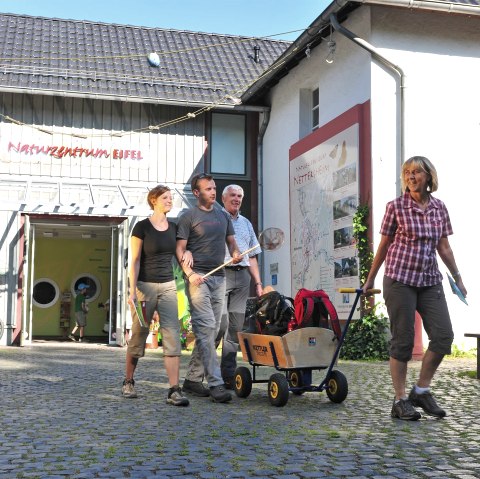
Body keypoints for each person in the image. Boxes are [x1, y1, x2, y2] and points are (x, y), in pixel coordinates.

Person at [363, 156, 467, 421]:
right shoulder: (395, 206)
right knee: (403, 341)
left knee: (443, 336)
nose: (411, 177)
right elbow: (385, 245)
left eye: (417, 172)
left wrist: (458, 276)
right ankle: (400, 400)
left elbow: (443, 246)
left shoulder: (439, 208)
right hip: (400, 279)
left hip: (430, 279)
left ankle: (421, 390)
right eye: (407, 173)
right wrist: (370, 279)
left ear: (429, 176)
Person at [122, 184, 192, 406]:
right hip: (145, 287)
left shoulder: (174, 228)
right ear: (154, 200)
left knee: (172, 335)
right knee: (139, 334)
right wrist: (132, 291)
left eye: (171, 197)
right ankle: (128, 381)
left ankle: (174, 389)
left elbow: (180, 251)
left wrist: (187, 252)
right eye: (165, 197)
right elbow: (134, 260)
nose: (170, 200)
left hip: (169, 286)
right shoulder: (142, 227)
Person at [176, 173, 242, 403]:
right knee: (205, 329)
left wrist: (234, 253)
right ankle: (216, 383)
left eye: (214, 188)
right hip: (198, 280)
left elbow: (231, 242)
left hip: (219, 277)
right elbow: (180, 250)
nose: (213, 192)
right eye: (208, 189)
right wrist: (190, 274)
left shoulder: (223, 216)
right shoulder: (188, 217)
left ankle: (192, 380)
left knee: (215, 330)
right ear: (196, 193)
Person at [216, 184, 263, 389]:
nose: (236, 199)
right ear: (223, 198)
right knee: (219, 326)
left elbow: (252, 256)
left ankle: (227, 376)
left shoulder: (246, 224)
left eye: (240, 196)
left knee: (234, 329)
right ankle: (201, 373)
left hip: (243, 278)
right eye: (233, 195)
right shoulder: (215, 219)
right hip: (221, 275)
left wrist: (259, 284)